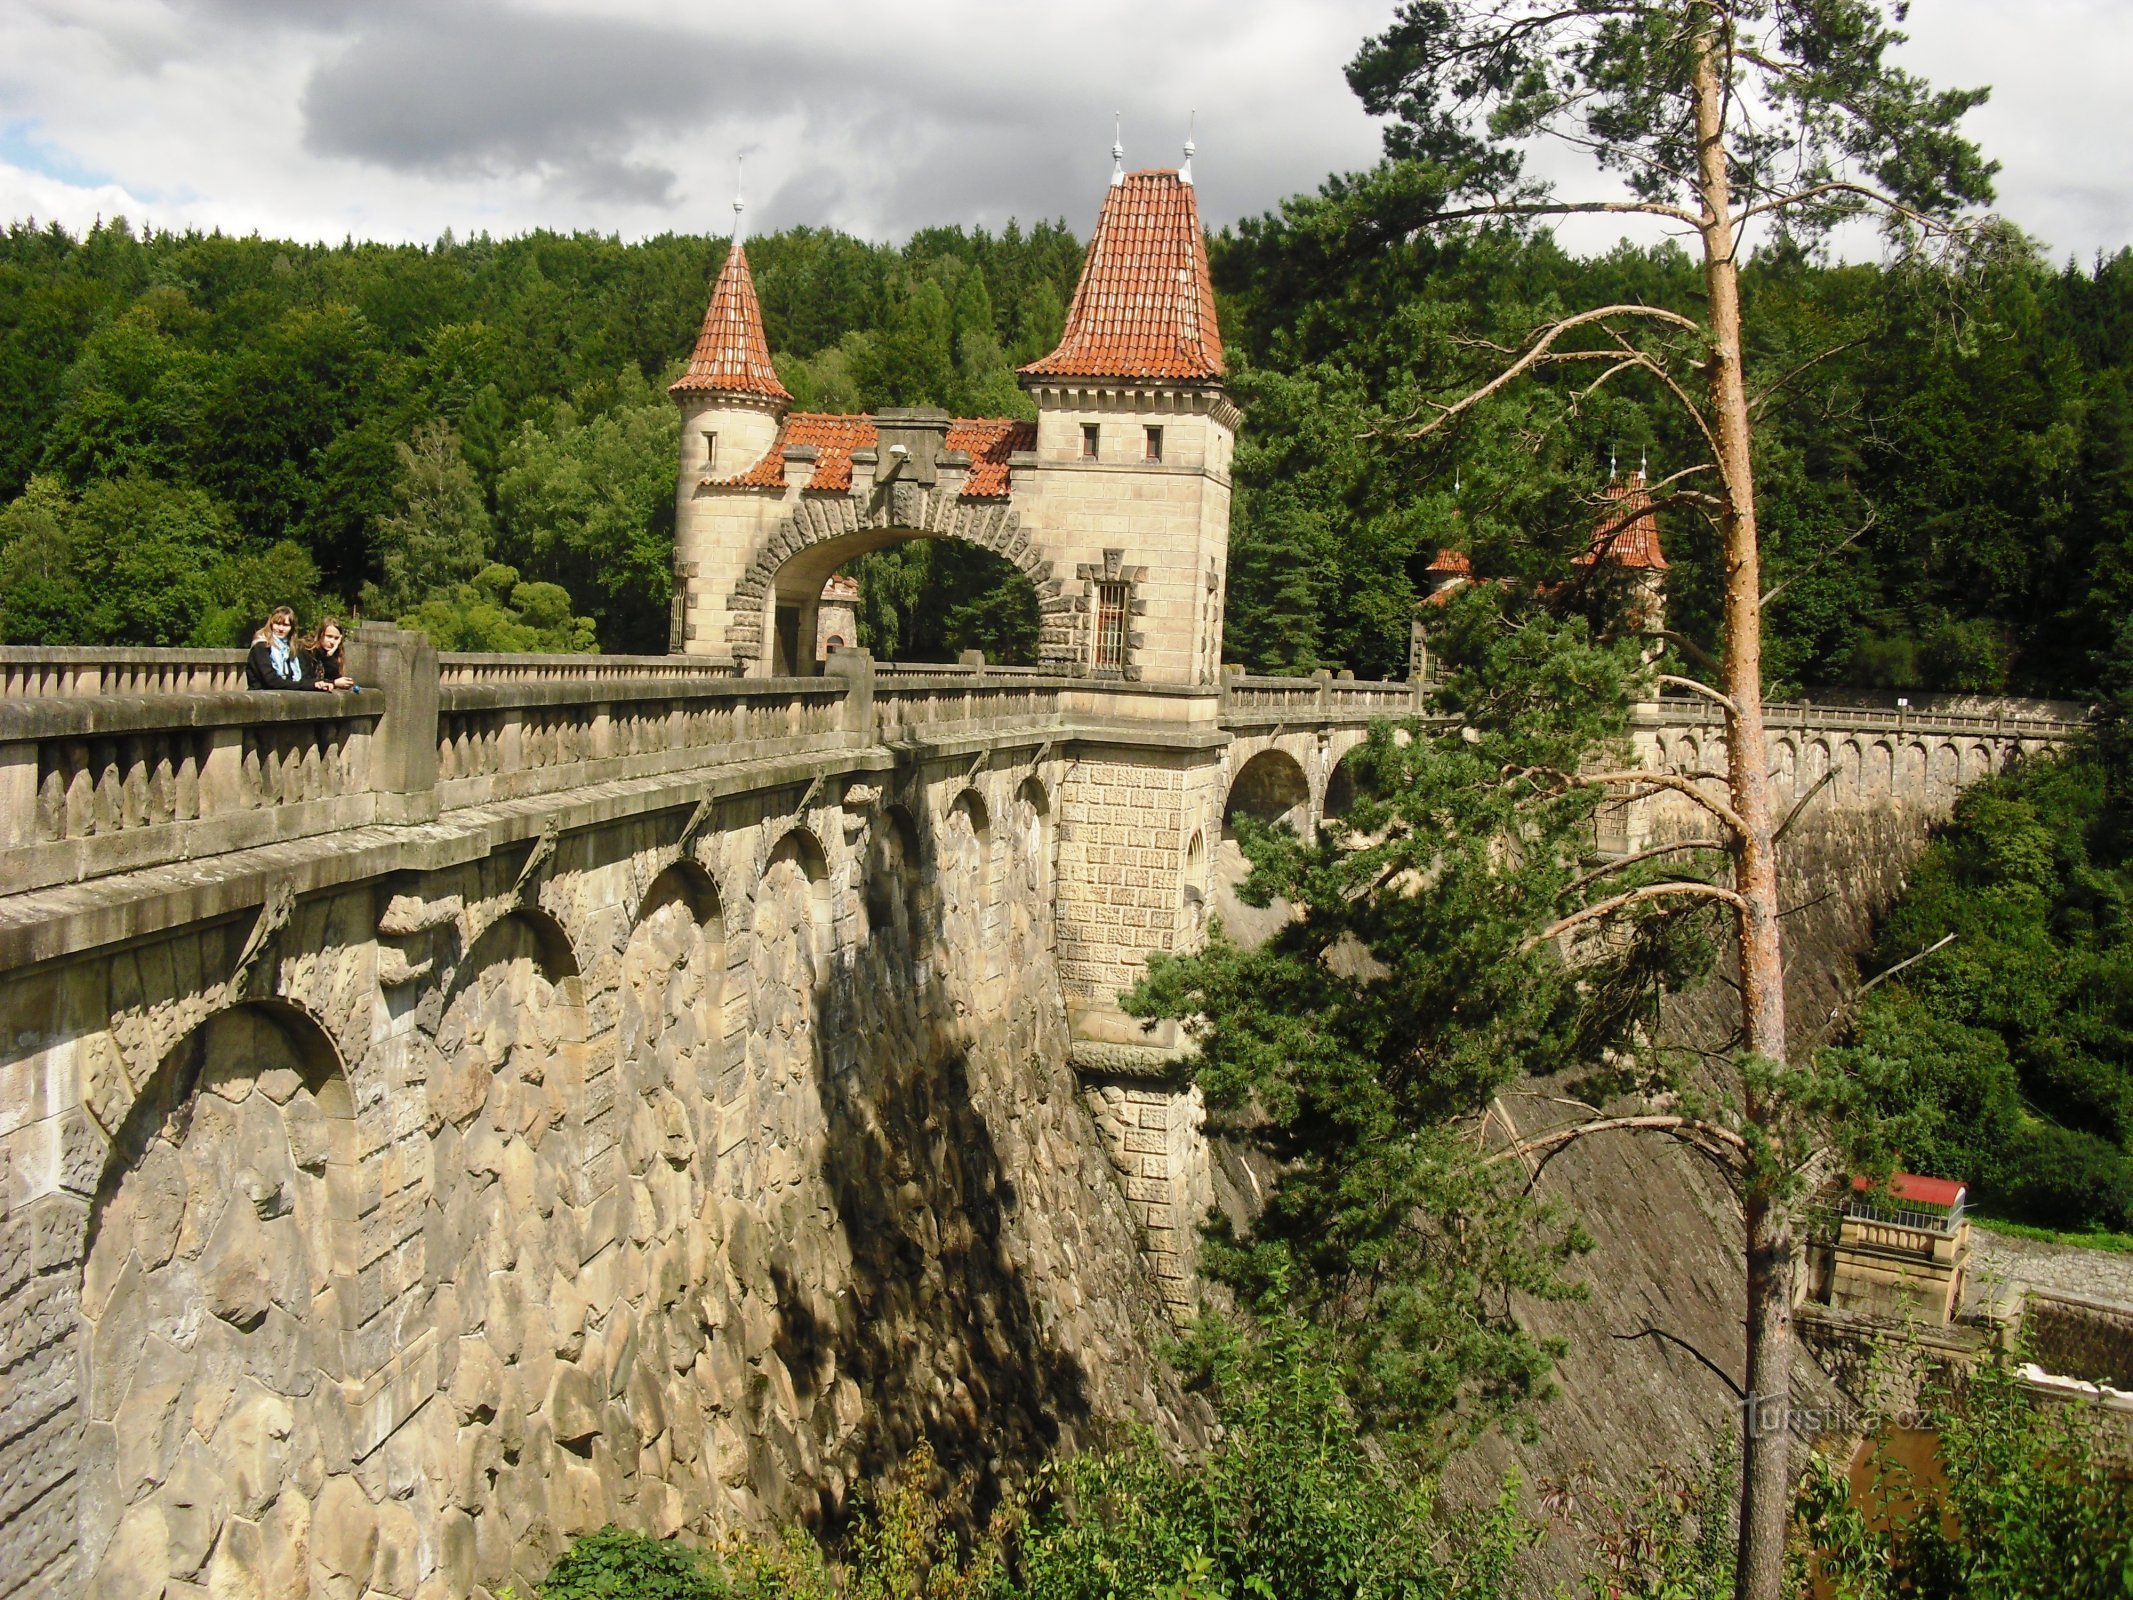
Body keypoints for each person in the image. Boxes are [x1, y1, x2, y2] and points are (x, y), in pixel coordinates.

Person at [246, 606, 308, 691]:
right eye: (277, 624)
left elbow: (305, 675)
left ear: (292, 628)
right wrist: (302, 686)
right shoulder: (261, 646)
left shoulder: (292, 649)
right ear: (271, 624)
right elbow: (270, 680)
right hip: (262, 696)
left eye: (286, 625)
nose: (281, 629)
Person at [303, 616, 356, 692]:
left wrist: (330, 655)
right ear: (321, 635)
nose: (332, 642)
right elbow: (308, 680)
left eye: (336, 638)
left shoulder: (334, 654)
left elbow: (335, 677)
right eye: (329, 636)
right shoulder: (308, 651)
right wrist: (333, 683)